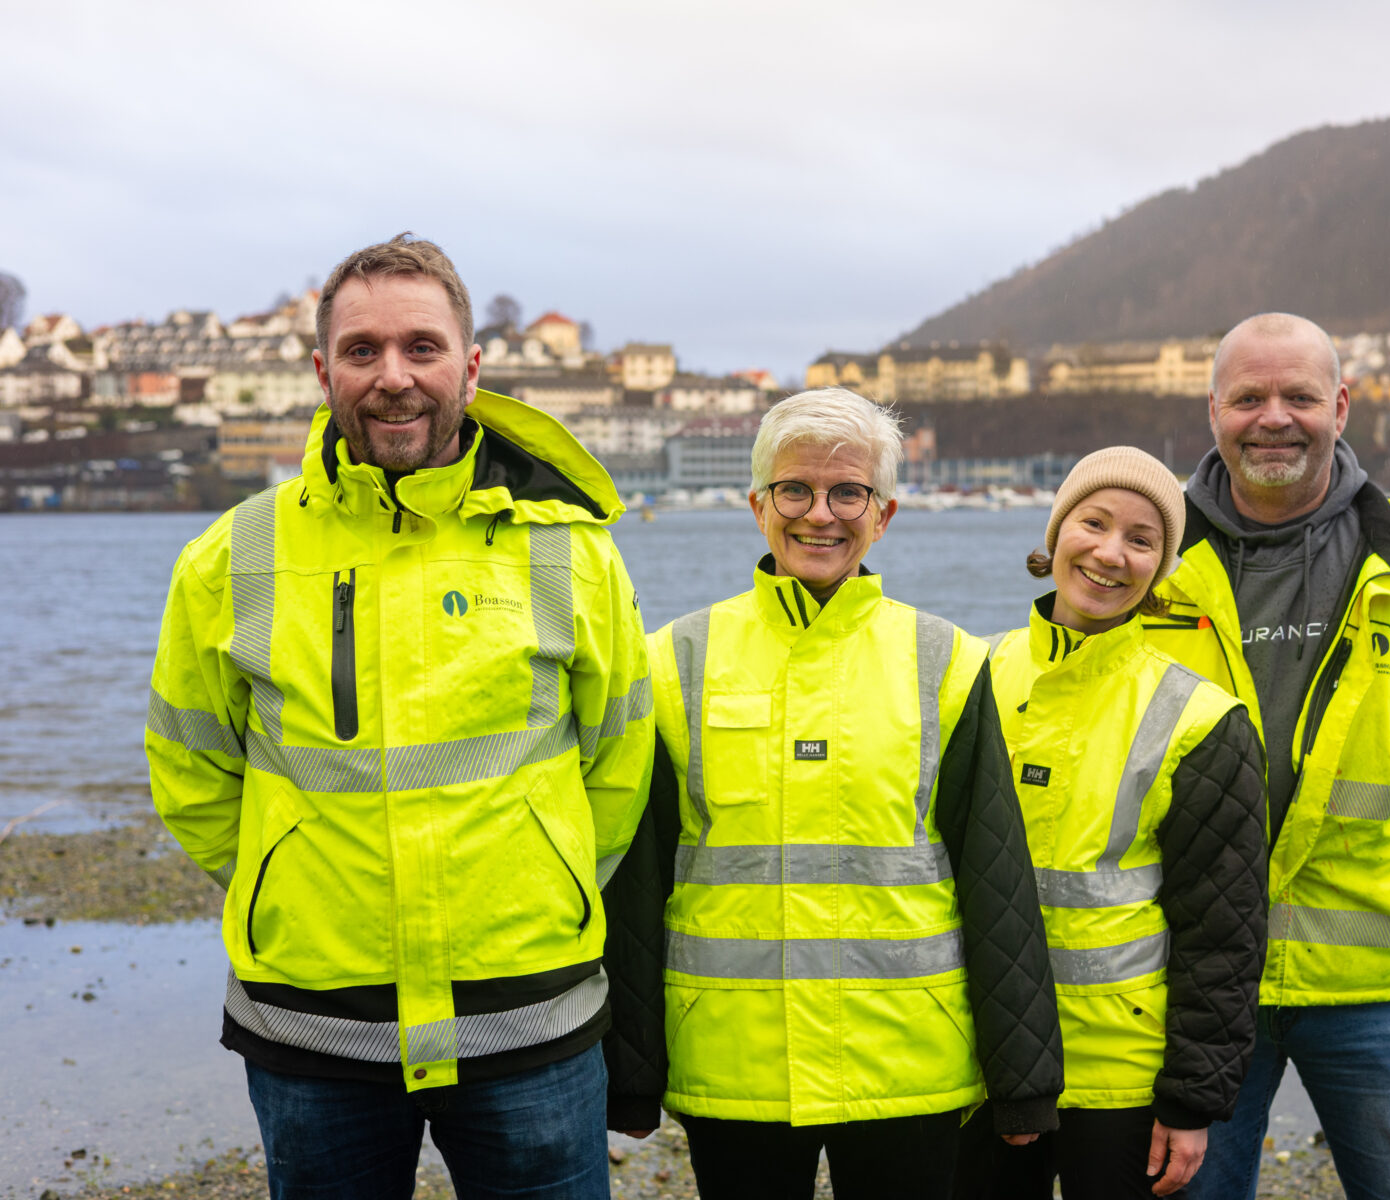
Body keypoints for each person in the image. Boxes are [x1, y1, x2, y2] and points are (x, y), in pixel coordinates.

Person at [145, 234, 653, 1199]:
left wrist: (549, 879)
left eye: (422, 347)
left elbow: (619, 761)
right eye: (362, 350)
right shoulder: (232, 557)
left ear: (471, 366)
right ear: (322, 372)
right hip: (312, 1026)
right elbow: (190, 768)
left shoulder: (570, 552)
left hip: (529, 1018)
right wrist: (279, 879)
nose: (393, 377)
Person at [602, 387, 1064, 1200]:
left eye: (848, 492)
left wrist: (1022, 1078)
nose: (820, 514)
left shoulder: (947, 661)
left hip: (908, 1062)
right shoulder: (672, 660)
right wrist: (631, 1070)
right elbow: (637, 882)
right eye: (795, 490)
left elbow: (996, 878)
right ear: (758, 505)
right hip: (732, 1060)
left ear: (884, 515)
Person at [1142, 313, 1390, 1200]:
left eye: (1300, 396)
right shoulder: (1146, 568)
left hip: (1372, 982)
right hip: (1195, 979)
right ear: (1213, 411)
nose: (1274, 417)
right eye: (1249, 397)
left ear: (1342, 407)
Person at [954, 448, 1268, 1199]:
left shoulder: (1201, 719)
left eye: (1141, 539)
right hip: (976, 1056)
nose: (1110, 553)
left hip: (1122, 1076)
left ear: (1161, 569)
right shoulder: (967, 677)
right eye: (1093, 523)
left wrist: (1192, 1101)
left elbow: (1223, 934)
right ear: (1056, 532)